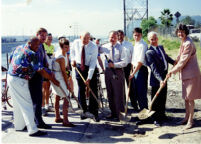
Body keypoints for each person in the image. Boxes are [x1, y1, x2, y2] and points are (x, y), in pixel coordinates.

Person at [7, 37, 59, 136]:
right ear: (29, 43)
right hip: (20, 80)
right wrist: (53, 80)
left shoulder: (19, 47)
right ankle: (33, 130)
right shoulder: (32, 54)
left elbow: (10, 59)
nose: (37, 48)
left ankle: (19, 126)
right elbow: (41, 70)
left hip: (11, 77)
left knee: (18, 104)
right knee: (27, 105)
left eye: (38, 46)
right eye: (35, 45)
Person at [167, 24, 201, 130]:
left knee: (190, 99)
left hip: (191, 75)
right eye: (178, 32)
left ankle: (191, 121)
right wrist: (174, 63)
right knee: (186, 98)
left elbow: (183, 61)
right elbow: (179, 57)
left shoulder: (188, 43)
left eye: (182, 32)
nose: (180, 34)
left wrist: (172, 71)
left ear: (186, 32)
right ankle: (186, 118)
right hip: (185, 74)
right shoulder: (184, 42)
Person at [145, 31, 175, 126]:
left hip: (165, 77)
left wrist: (174, 62)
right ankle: (155, 118)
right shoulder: (149, 52)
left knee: (163, 97)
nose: (153, 41)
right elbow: (153, 68)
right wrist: (160, 80)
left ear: (157, 38)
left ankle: (162, 115)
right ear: (149, 40)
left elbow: (166, 57)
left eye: (155, 38)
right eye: (151, 39)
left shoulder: (161, 47)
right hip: (156, 80)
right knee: (156, 100)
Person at [71, 32, 100, 122]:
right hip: (79, 67)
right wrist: (73, 60)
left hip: (90, 68)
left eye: (88, 38)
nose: (86, 40)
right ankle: (83, 111)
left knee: (93, 89)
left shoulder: (94, 47)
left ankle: (94, 112)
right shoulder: (76, 42)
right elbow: (72, 52)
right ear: (80, 37)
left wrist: (89, 78)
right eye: (84, 38)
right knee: (81, 89)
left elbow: (92, 64)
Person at [100, 31, 127, 120]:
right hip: (108, 72)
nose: (112, 39)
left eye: (114, 37)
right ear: (108, 38)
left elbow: (124, 62)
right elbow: (95, 50)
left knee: (118, 93)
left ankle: (120, 113)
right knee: (110, 92)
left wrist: (115, 65)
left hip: (117, 71)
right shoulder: (104, 47)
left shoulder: (121, 48)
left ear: (117, 38)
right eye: (111, 37)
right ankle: (113, 113)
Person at [28, 28, 52, 129]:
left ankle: (37, 120)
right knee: (37, 100)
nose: (44, 37)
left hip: (40, 74)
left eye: (45, 36)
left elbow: (42, 58)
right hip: (34, 75)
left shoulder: (42, 45)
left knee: (39, 98)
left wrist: (46, 62)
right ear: (37, 35)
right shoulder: (36, 46)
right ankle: (38, 122)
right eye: (42, 35)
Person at [51, 38, 75, 127]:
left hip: (56, 76)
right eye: (65, 47)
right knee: (66, 97)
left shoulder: (62, 54)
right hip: (58, 77)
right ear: (61, 47)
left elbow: (66, 68)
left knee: (57, 96)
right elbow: (63, 72)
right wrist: (68, 85)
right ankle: (65, 120)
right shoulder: (61, 57)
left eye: (68, 47)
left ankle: (57, 117)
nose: (67, 49)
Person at [117, 30, 137, 110]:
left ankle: (134, 103)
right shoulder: (115, 45)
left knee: (130, 85)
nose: (120, 37)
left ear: (124, 35)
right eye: (118, 35)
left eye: (121, 35)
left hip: (128, 66)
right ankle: (123, 104)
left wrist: (132, 67)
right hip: (118, 67)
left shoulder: (129, 44)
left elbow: (133, 56)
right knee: (121, 86)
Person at [129, 27, 148, 111]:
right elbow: (133, 59)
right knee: (137, 92)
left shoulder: (143, 45)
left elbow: (140, 62)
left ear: (141, 35)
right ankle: (141, 113)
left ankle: (145, 114)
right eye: (135, 35)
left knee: (141, 93)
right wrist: (132, 70)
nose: (136, 37)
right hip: (135, 70)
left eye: (138, 35)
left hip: (141, 70)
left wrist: (133, 73)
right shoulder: (136, 44)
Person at [42, 33, 55, 115]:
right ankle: (42, 107)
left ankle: (47, 105)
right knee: (43, 89)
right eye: (48, 38)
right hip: (44, 69)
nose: (50, 40)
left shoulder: (52, 47)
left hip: (50, 69)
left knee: (48, 88)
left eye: (51, 38)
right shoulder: (43, 46)